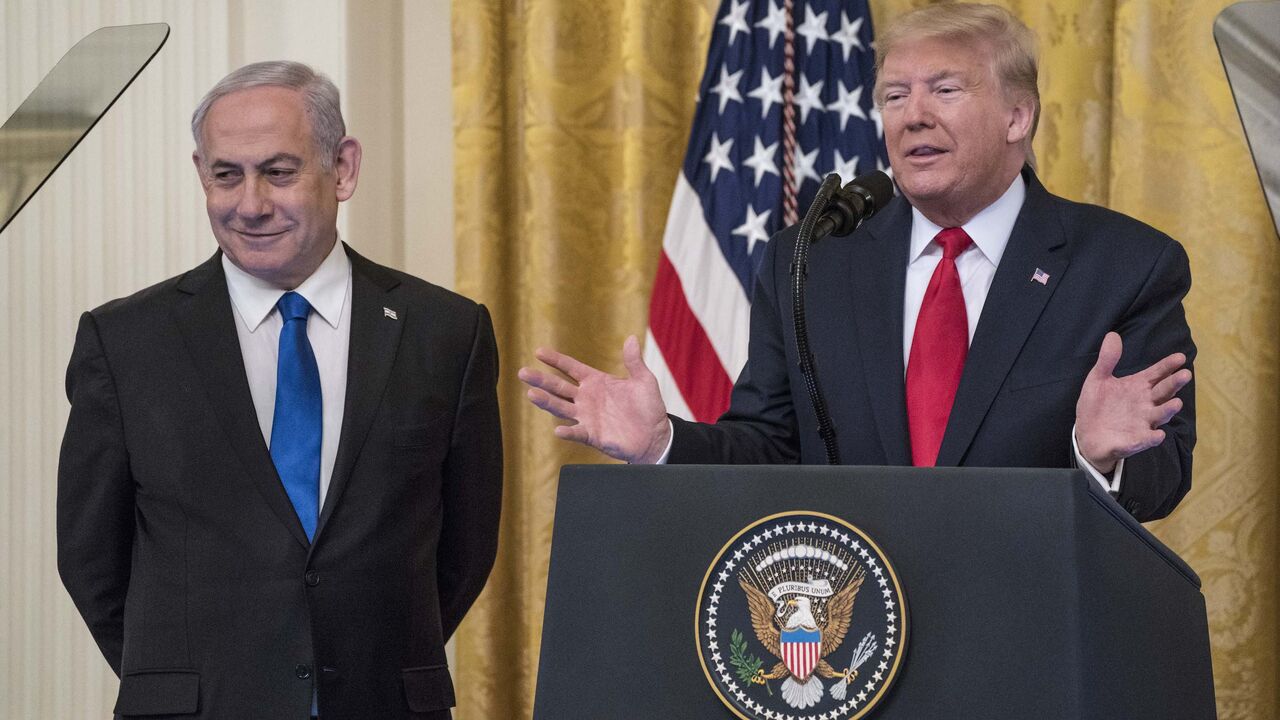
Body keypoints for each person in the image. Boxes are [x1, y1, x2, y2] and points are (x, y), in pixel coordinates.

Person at [519, 3, 1194, 522]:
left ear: (1019, 115)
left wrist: (1097, 454)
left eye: (945, 90)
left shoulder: (1124, 267)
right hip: (852, 640)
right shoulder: (810, 262)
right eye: (894, 97)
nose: (913, 117)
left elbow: (1163, 479)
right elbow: (775, 447)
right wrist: (666, 443)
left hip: (1030, 638)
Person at [57, 61, 501, 719]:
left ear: (343, 168)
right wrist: (193, 677)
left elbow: (465, 548)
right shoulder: (125, 342)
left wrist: (363, 660)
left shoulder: (446, 331)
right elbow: (92, 560)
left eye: (280, 171)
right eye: (225, 175)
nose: (250, 204)